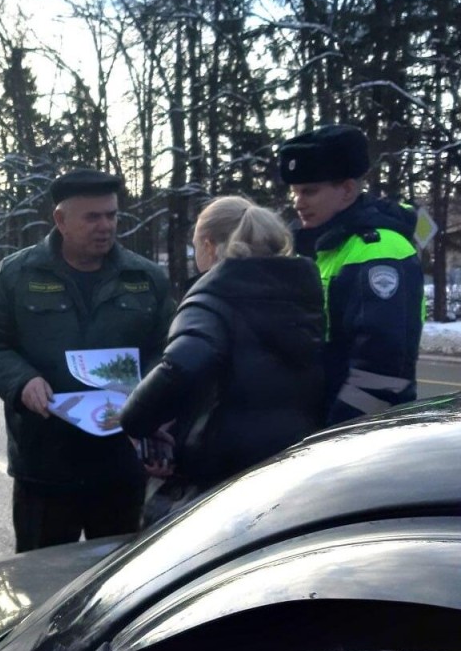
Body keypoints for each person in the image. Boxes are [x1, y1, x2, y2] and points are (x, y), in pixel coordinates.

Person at [0, 168, 175, 552]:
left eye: (111, 216)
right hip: (46, 463)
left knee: (117, 585)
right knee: (41, 583)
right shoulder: (19, 273)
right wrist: (22, 381)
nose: (105, 226)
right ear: (60, 220)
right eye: (92, 217)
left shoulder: (144, 278)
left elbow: (168, 353)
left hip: (119, 464)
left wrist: (151, 409)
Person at [118, 197, 325, 525]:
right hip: (289, 463)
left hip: (219, 474)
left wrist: (135, 420)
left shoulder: (213, 298)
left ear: (209, 246)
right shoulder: (300, 294)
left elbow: (183, 366)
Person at [277, 124, 423, 424]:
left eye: (309, 191)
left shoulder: (378, 251)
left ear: (346, 190)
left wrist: (332, 436)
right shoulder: (318, 245)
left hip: (358, 439)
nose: (298, 202)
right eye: (294, 192)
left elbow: (381, 373)